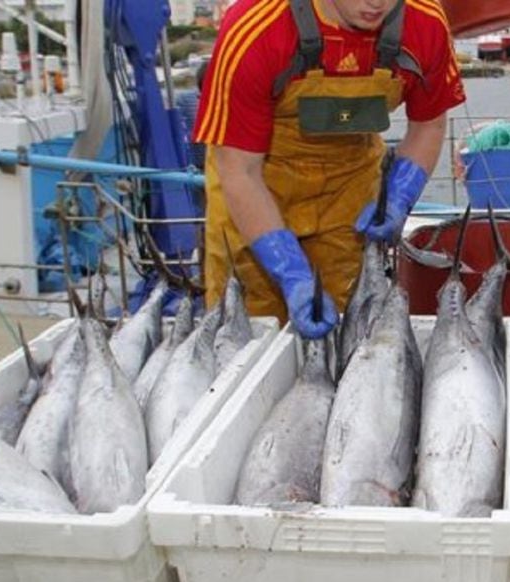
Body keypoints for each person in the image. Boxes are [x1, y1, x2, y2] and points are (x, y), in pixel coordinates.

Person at [194, 0, 465, 338]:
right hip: (254, 187)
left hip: (349, 194)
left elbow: (428, 127)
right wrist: (290, 270)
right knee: (244, 335)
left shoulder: (425, 21)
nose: (377, 3)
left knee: (348, 329)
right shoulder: (257, 26)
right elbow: (239, 171)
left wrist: (400, 195)